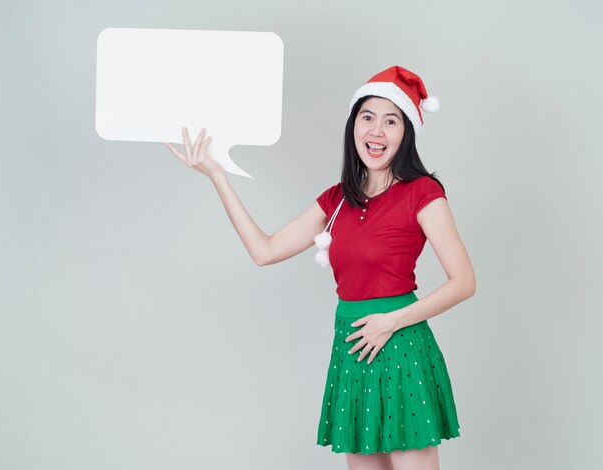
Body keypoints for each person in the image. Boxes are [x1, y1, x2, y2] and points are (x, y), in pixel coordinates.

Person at [165, 65, 475, 470]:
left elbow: (464, 281)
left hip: (401, 350)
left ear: (406, 132)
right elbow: (265, 250)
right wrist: (217, 176)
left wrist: (390, 322)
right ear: (353, 127)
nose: (376, 132)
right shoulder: (337, 200)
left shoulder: (422, 193)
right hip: (352, 351)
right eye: (367, 118)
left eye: (390, 121)